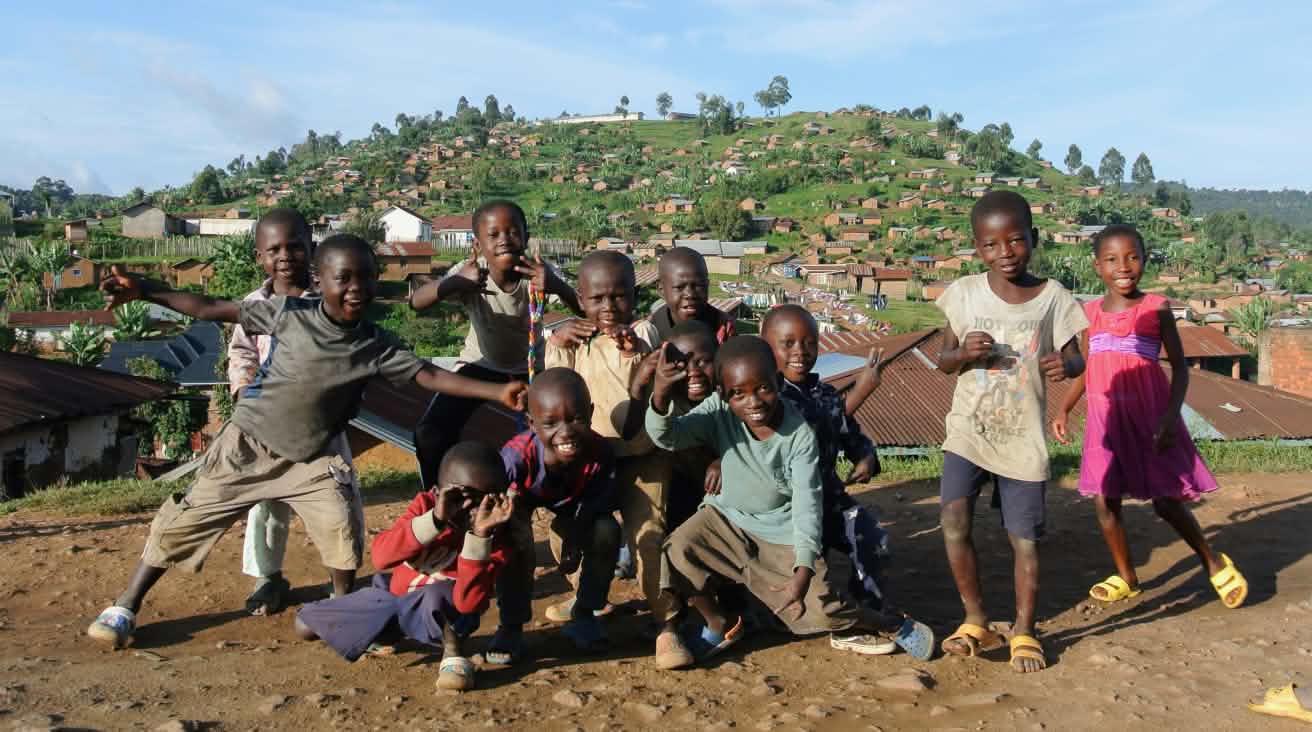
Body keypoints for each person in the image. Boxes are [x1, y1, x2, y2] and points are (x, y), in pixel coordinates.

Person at [86, 235, 526, 649]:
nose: (356, 288)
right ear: (319, 280)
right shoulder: (289, 313)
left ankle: (343, 613)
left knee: (341, 529)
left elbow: (428, 375)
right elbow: (209, 307)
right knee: (183, 524)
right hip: (248, 448)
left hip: (313, 457)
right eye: (343, 278)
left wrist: (496, 391)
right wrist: (144, 289)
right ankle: (126, 605)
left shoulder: (374, 344)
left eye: (366, 278)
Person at [647, 336, 909, 670]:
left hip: (778, 534)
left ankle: (881, 621)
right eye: (738, 394)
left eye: (763, 389)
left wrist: (803, 569)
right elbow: (668, 436)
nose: (753, 402)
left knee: (820, 609)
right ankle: (718, 621)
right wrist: (660, 395)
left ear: (779, 382)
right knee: (677, 551)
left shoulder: (798, 435)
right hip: (726, 520)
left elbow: (806, 504)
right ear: (722, 394)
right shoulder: (718, 410)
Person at [1052, 224, 1247, 609]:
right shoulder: (1090, 313)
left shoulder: (1156, 307)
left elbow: (1181, 369)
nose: (1123, 267)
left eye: (1132, 257)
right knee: (1105, 500)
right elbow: (1088, 367)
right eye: (1111, 259)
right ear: (1097, 266)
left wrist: (1170, 417)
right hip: (1107, 420)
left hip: (1150, 417)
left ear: (1145, 259)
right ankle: (1127, 577)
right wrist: (1064, 408)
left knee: (1166, 500)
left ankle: (1212, 561)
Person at [934, 191, 1088, 673]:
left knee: (1024, 539)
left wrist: (1065, 365)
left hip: (1022, 437)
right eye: (991, 245)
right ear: (978, 247)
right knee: (953, 521)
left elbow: (1077, 357)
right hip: (969, 429)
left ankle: (1024, 630)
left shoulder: (1054, 298)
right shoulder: (964, 293)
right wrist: (964, 354)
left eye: (1016, 240)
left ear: (1033, 238)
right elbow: (943, 361)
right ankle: (975, 619)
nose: (1005, 253)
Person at [761, 304, 932, 659]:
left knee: (871, 538)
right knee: (808, 574)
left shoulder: (824, 393)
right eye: (787, 343)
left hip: (830, 498)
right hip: (787, 508)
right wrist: (861, 392)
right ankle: (822, 618)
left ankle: (865, 609)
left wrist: (865, 456)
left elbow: (847, 431)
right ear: (766, 347)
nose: (800, 352)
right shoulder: (767, 399)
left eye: (809, 343)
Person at [225, 208, 364, 616]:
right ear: (259, 257)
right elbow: (242, 352)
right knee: (266, 502)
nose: (285, 256)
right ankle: (268, 578)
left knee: (340, 499)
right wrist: (244, 393)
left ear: (312, 248)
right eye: (274, 250)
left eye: (295, 247)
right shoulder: (253, 305)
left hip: (323, 422)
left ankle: (341, 584)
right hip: (269, 423)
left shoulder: (330, 299)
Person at [294, 442, 515, 691]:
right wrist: (435, 520)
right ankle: (383, 633)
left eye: (488, 500)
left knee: (438, 593)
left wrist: (480, 536)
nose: (475, 509)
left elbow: (469, 604)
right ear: (438, 492)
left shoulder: (497, 538)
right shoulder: (425, 506)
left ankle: (452, 652)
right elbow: (381, 558)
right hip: (393, 600)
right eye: (463, 497)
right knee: (305, 626)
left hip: (444, 613)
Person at [410, 200, 582, 487]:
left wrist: (557, 285)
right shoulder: (469, 271)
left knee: (549, 434)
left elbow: (583, 308)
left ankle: (550, 493)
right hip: (479, 365)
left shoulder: (537, 273)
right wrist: (455, 283)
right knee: (430, 432)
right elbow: (416, 302)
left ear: (526, 238)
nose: (504, 240)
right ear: (477, 244)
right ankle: (439, 495)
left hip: (531, 368)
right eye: (493, 234)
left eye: (513, 232)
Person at [544, 251, 671, 629]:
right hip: (589, 462)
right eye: (597, 298)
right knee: (568, 531)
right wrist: (557, 341)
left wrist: (635, 352)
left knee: (648, 536)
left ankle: (666, 619)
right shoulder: (573, 342)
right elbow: (554, 391)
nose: (609, 307)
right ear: (581, 300)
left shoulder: (643, 333)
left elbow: (652, 373)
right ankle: (587, 596)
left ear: (633, 296)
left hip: (641, 457)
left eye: (619, 296)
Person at [490, 368, 621, 664]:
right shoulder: (516, 457)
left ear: (590, 414)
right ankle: (511, 624)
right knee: (513, 536)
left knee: (606, 530)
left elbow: (596, 504)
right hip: (522, 501)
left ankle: (585, 611)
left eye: (576, 419)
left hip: (575, 505)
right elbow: (495, 502)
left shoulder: (600, 452)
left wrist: (574, 538)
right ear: (531, 423)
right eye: (550, 423)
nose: (566, 432)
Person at [647, 246, 735, 345]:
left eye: (699, 285)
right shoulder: (649, 332)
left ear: (707, 285)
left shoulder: (723, 327)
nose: (690, 294)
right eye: (679, 287)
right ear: (661, 289)